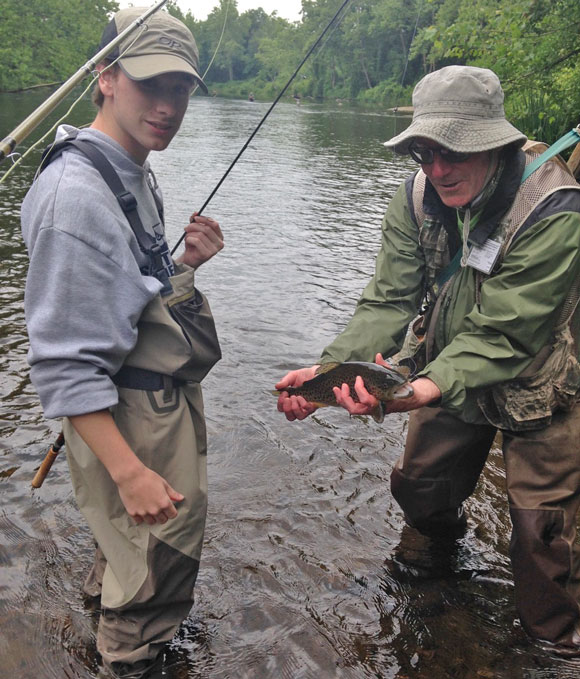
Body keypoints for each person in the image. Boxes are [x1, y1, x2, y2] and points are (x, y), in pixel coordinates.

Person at [276, 65, 580, 655]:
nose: (437, 169)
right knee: (420, 485)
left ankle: (556, 648)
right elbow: (388, 300)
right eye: (423, 152)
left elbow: (503, 336)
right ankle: (438, 561)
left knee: (544, 541)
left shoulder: (555, 209)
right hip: (446, 362)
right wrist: (329, 371)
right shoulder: (417, 197)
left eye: (453, 152)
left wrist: (419, 390)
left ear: (498, 145)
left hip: (543, 377)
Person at [21, 7, 223, 678]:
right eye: (150, 84)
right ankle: (127, 657)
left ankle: (103, 621)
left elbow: (129, 293)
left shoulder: (132, 167)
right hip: (128, 423)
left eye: (181, 89)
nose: (168, 105)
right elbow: (62, 361)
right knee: (157, 567)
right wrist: (130, 470)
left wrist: (186, 265)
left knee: (131, 551)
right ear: (105, 77)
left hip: (149, 408)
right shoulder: (74, 197)